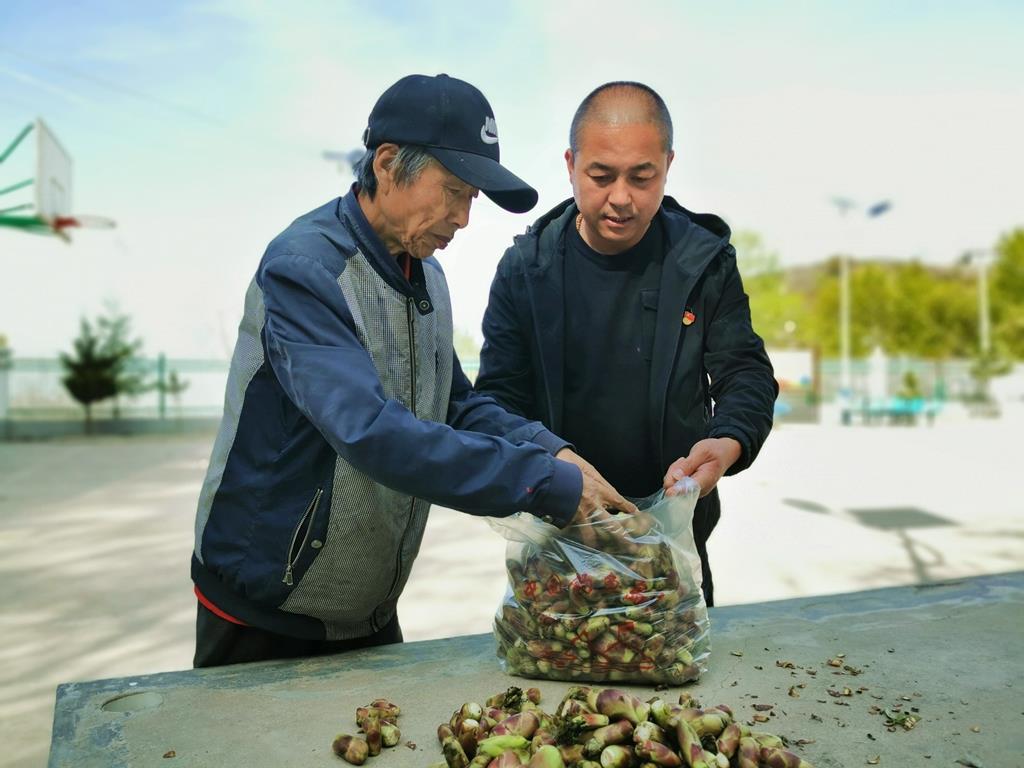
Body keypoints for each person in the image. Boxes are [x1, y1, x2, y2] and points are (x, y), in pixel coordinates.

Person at [190, 74, 636, 667]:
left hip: (366, 604)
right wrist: (543, 485)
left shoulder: (424, 272)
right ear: (386, 163)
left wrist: (551, 451)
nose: (464, 217)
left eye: (472, 198)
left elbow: (453, 404)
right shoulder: (306, 269)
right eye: (452, 190)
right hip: (267, 604)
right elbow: (370, 433)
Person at [475, 81, 778, 606]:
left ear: (668, 166)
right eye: (601, 176)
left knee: (680, 656)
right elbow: (496, 401)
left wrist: (729, 440)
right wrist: (550, 460)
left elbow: (745, 372)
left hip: (672, 544)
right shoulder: (527, 270)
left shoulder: (702, 262)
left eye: (642, 177)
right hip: (556, 545)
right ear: (571, 165)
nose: (621, 197)